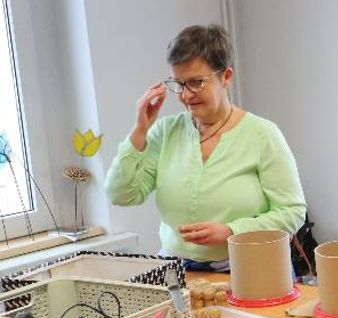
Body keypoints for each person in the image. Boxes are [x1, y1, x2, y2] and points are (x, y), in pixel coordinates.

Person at [105, 25, 307, 270]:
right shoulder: (164, 132)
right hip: (177, 271)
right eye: (179, 84)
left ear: (227, 77)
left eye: (197, 83)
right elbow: (121, 195)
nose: (186, 95)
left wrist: (232, 232)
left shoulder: (263, 134)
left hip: (249, 268)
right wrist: (140, 131)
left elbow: (292, 212)